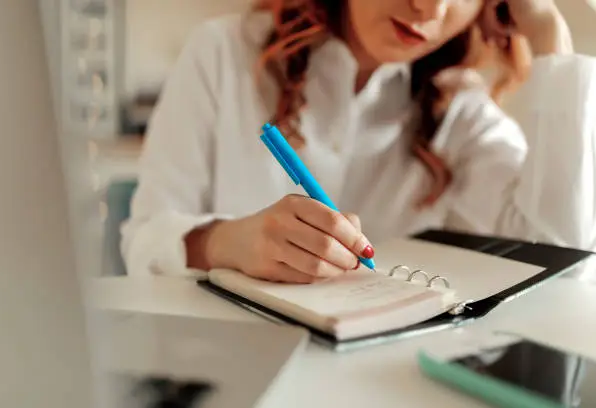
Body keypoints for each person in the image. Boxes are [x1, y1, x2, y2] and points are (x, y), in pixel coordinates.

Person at [121, 0, 596, 283]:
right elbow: (143, 243)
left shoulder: (461, 112)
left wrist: (548, 32)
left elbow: (564, 261)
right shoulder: (222, 53)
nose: (430, 8)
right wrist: (228, 242)